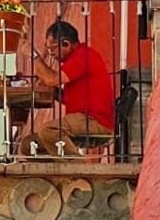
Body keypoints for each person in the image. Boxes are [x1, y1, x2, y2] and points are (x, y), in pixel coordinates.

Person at [25, 20, 114, 154]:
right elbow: (66, 98)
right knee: (29, 145)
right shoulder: (73, 62)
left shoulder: (82, 56)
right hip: (82, 120)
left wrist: (34, 56)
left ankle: (77, 169)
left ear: (66, 44)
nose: (52, 55)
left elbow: (51, 79)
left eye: (52, 49)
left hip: (95, 121)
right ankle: (57, 171)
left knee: (49, 130)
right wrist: (53, 91)